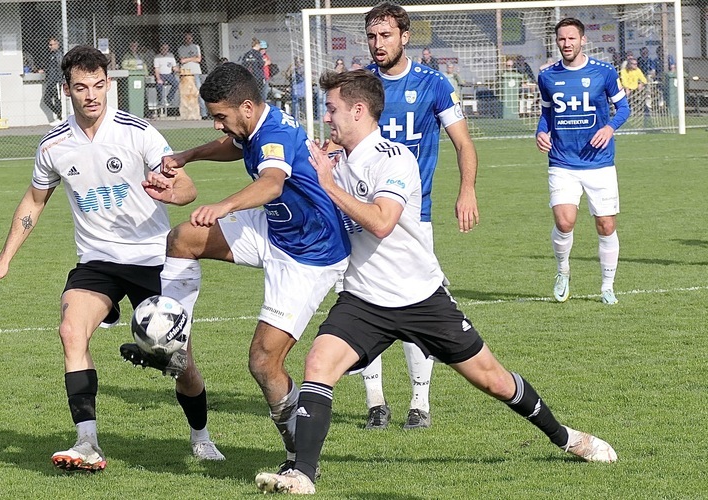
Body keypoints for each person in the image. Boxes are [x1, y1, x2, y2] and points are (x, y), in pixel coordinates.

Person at [255, 69, 618, 495]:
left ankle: (567, 438)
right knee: (318, 363)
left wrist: (328, 185)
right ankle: (302, 475)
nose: (327, 118)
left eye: (332, 109)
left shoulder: (393, 158)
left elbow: (381, 222)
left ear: (358, 110)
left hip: (421, 298)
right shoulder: (335, 159)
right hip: (364, 301)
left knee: (494, 380)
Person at [0, 45, 224, 473]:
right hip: (98, 261)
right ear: (67, 90)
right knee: (71, 331)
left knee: (179, 361)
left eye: (98, 85)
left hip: (154, 259)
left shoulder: (138, 133)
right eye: (81, 87)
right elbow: (34, 201)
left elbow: (187, 189)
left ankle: (201, 437)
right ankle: (87, 441)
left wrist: (171, 192)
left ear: (108, 84)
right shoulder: (54, 145)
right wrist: (5, 259)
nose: (91, 94)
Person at [119, 62, 350, 475]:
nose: (217, 125)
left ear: (246, 107)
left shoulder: (275, 133)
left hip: (309, 254)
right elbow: (237, 146)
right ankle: (173, 345)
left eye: (220, 117)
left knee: (263, 363)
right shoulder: (255, 125)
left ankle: (300, 455)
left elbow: (272, 183)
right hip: (276, 227)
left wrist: (223, 205)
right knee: (183, 239)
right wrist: (187, 155)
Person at [357, 1, 480, 431]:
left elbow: (463, 143)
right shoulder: (358, 85)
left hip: (414, 217)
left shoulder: (433, 84)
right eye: (372, 36)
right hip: (360, 214)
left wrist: (467, 191)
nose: (378, 44)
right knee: (361, 304)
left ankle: (419, 404)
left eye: (386, 35)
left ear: (405, 37)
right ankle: (376, 403)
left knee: (416, 306)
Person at [536, 17, 630, 306]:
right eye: (561, 39)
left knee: (605, 225)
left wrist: (609, 127)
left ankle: (607, 286)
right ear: (557, 42)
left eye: (571, 39)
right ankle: (563, 271)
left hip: (599, 162)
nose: (566, 44)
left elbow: (623, 107)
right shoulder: (547, 76)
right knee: (564, 222)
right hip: (563, 161)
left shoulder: (604, 72)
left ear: (582, 40)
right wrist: (541, 131)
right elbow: (546, 113)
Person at [177, 32, 208, 119]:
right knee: (186, 94)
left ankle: (204, 113)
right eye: (186, 38)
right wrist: (192, 58)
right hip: (186, 73)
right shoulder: (181, 48)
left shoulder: (196, 47)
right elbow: (182, 61)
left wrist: (188, 59)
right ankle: (187, 114)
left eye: (190, 38)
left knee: (198, 91)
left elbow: (198, 59)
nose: (188, 40)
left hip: (196, 72)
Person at [41, 37, 64, 120]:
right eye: (49, 45)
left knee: (57, 98)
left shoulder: (59, 55)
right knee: (46, 99)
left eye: (51, 45)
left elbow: (61, 68)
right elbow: (49, 67)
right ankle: (57, 113)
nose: (49, 47)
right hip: (50, 81)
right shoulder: (50, 55)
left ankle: (59, 117)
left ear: (56, 44)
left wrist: (59, 80)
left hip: (56, 81)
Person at [153, 43, 179, 108]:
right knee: (159, 85)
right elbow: (156, 69)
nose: (164, 50)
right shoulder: (157, 57)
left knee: (176, 84)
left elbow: (174, 67)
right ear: (160, 49)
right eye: (163, 48)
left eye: (166, 48)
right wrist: (158, 79)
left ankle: (169, 99)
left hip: (169, 74)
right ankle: (160, 100)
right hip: (161, 74)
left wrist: (179, 70)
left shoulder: (171, 56)